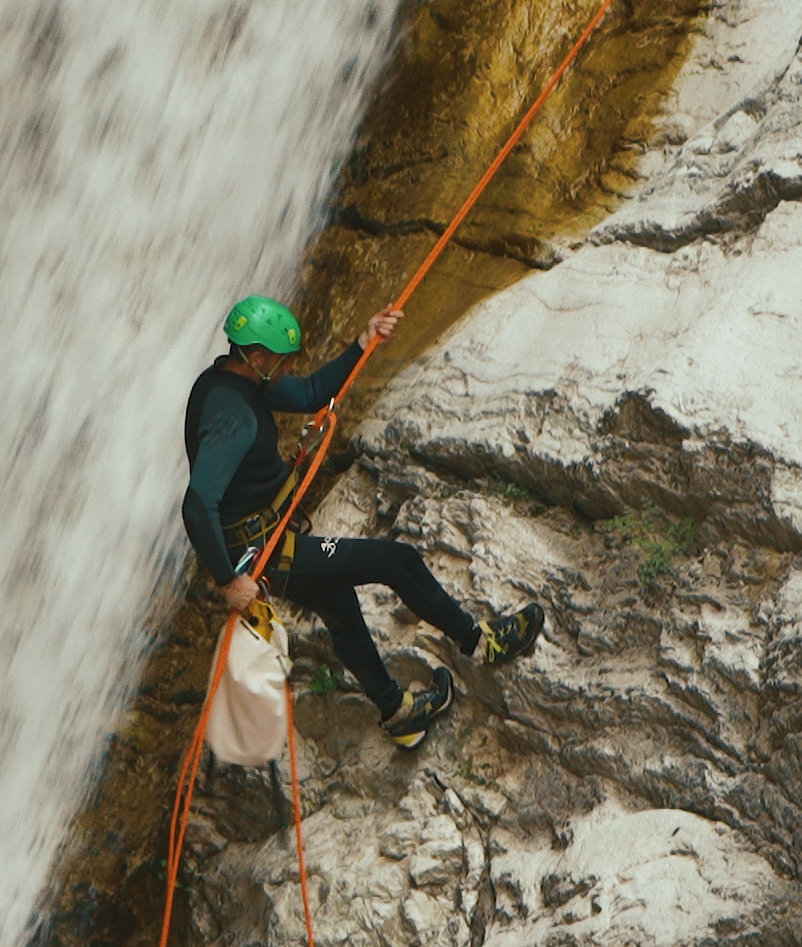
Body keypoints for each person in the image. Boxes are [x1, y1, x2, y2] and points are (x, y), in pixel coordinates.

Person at [183, 295, 544, 750]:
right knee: (396, 560)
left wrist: (362, 341)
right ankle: (481, 643)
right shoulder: (232, 416)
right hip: (265, 556)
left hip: (267, 540)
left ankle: (399, 714)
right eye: (284, 359)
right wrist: (229, 582)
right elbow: (197, 503)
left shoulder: (235, 381)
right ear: (257, 357)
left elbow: (312, 393)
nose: (290, 365)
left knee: (338, 603)